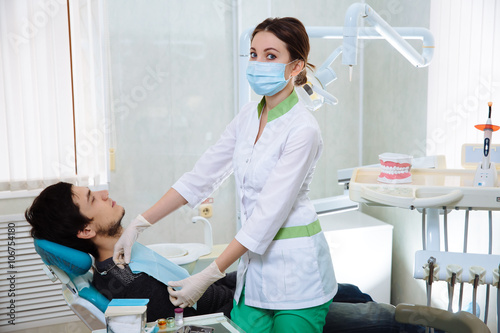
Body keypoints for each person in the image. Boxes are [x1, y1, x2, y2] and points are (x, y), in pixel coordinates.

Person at [113, 17, 335, 333]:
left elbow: (266, 217)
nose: (258, 63)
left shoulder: (303, 130)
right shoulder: (248, 115)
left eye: (271, 56)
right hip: (255, 274)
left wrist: (208, 275)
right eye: (254, 54)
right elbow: (201, 176)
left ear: (296, 67)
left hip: (298, 274)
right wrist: (139, 223)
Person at [25, 182, 426, 332]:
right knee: (374, 318)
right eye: (94, 199)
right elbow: (208, 307)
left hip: (240, 294)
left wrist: (240, 275)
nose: (105, 193)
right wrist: (246, 277)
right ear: (85, 231)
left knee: (351, 290)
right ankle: (436, 326)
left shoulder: (121, 257)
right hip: (244, 314)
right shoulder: (125, 282)